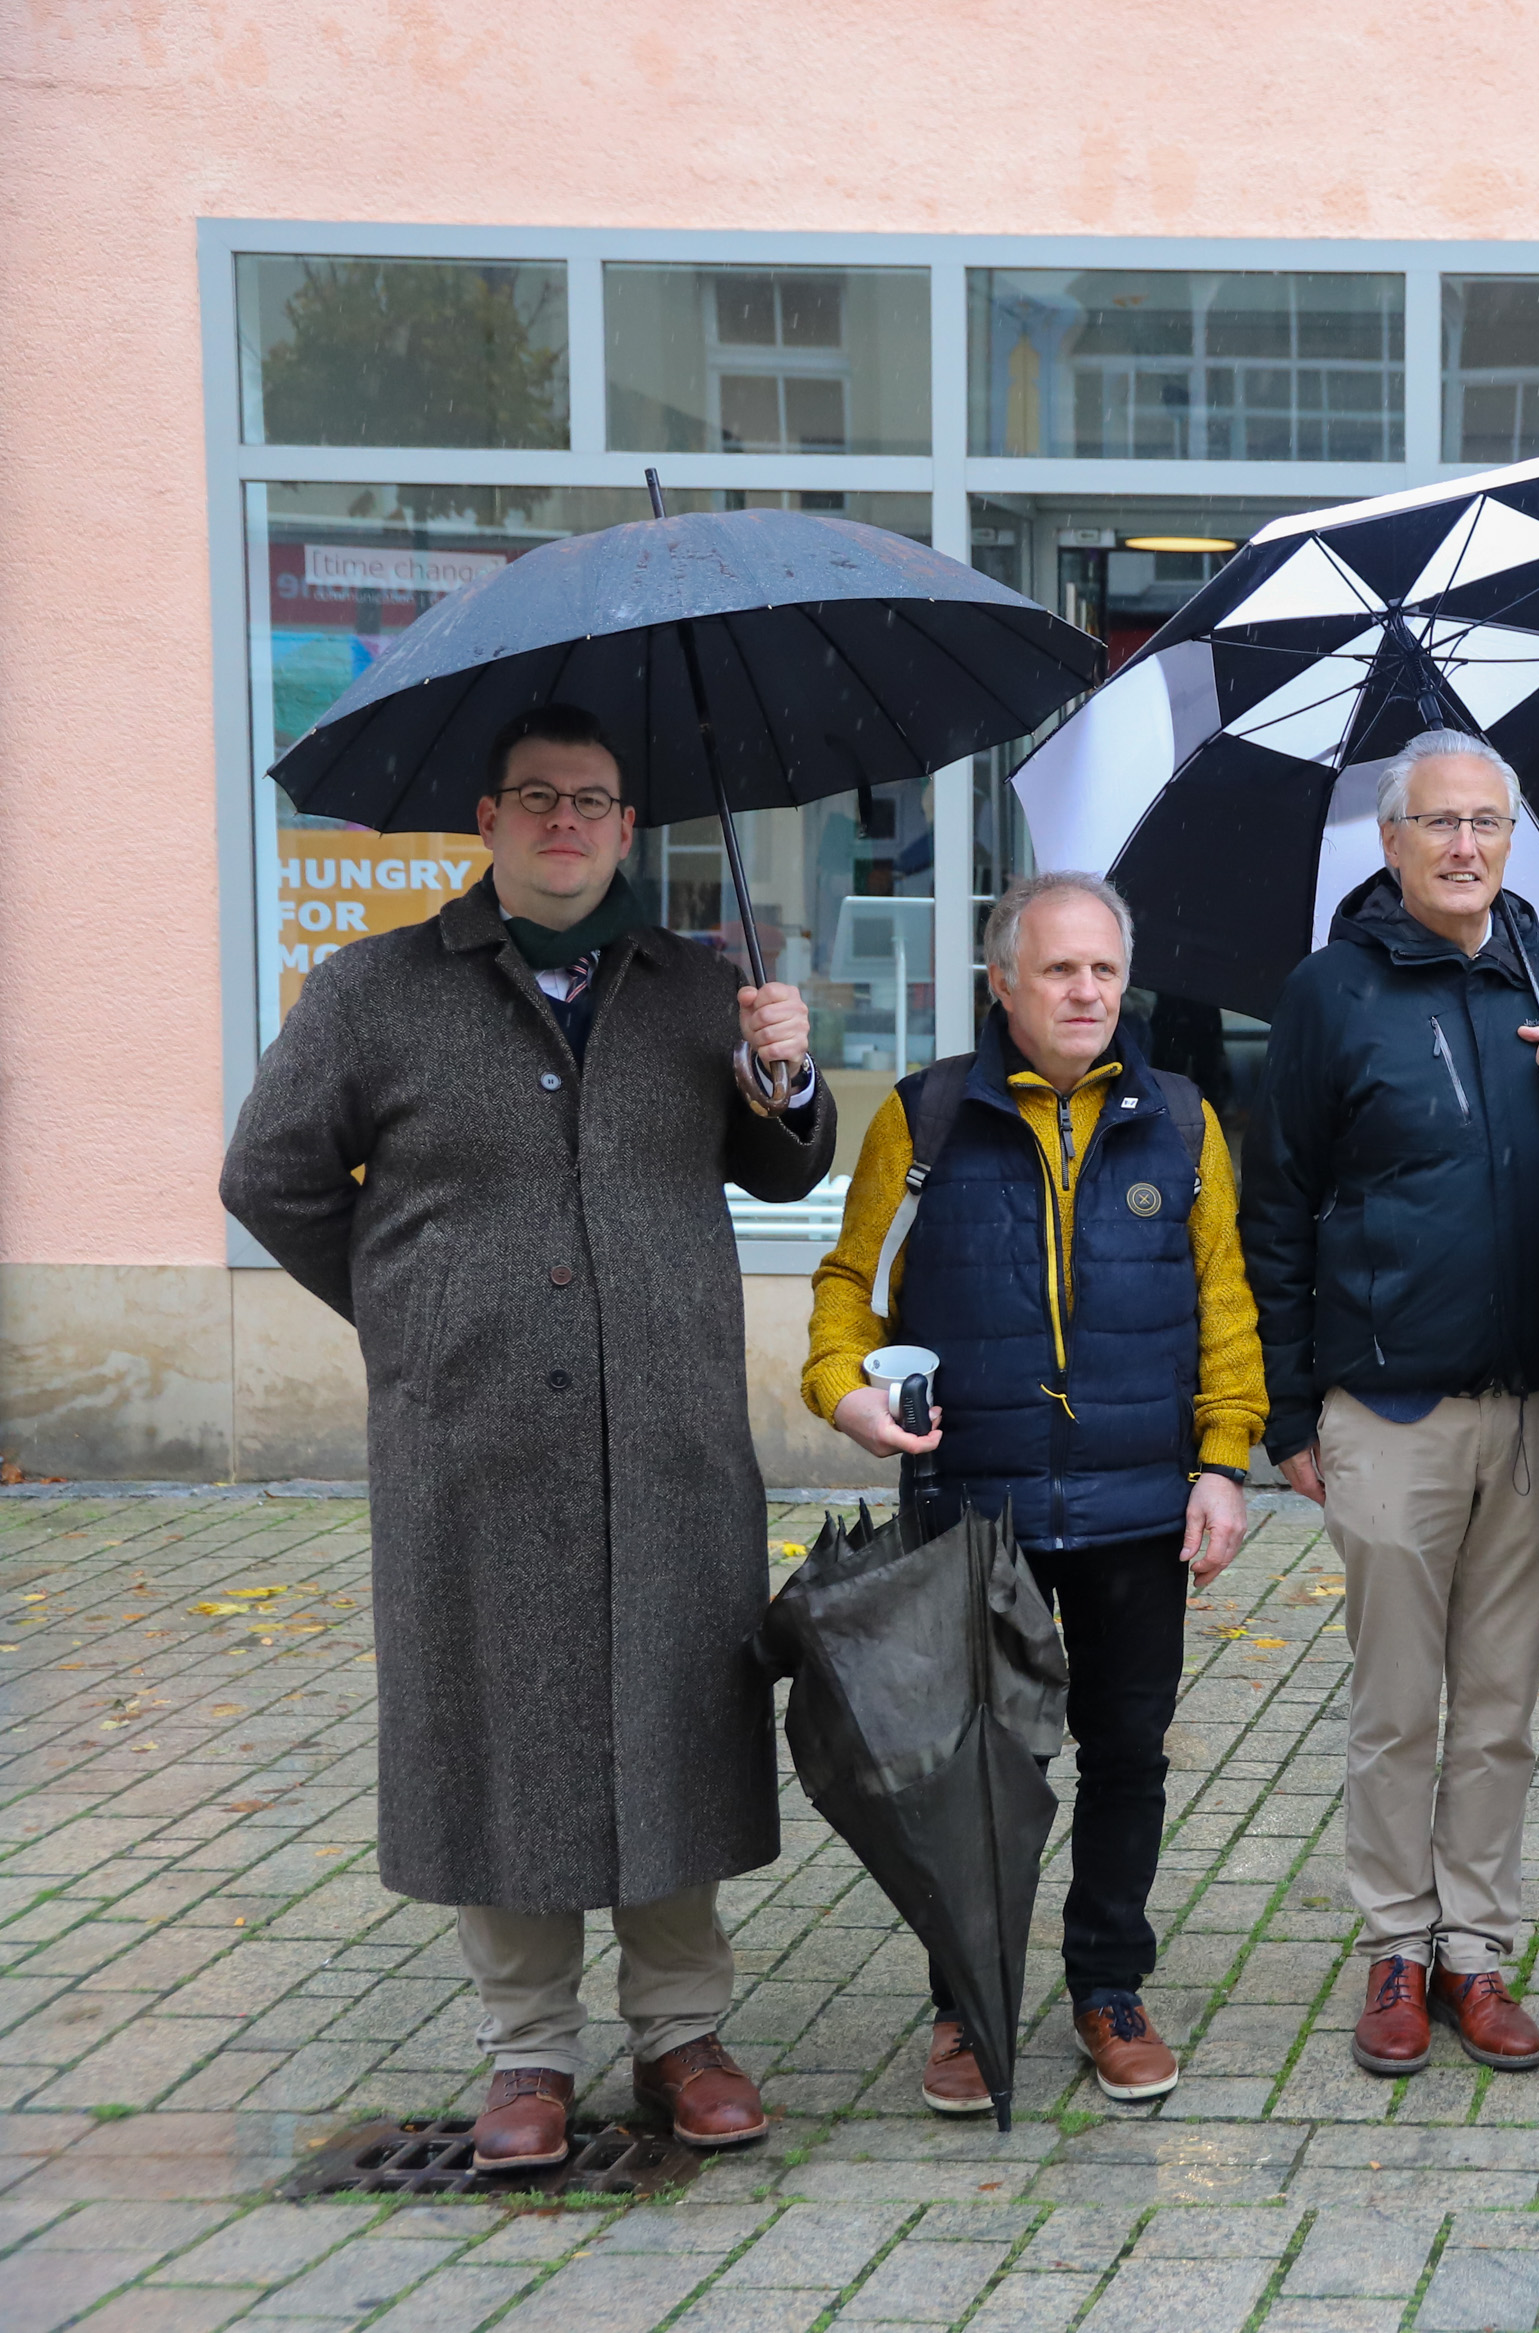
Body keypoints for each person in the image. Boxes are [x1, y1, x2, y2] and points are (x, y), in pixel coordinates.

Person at [222, 702, 832, 2170]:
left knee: (679, 1721)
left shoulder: (697, 987)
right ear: (486, 822)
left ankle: (681, 2032)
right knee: (502, 1730)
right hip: (475, 1441)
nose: (567, 823)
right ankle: (529, 2055)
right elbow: (270, 1175)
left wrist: (788, 1071)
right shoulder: (373, 991)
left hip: (668, 1435)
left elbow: (783, 1155)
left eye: (595, 802)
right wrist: (414, 1309)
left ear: (631, 831)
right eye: (538, 799)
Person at [805, 869, 1260, 2108]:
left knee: (1127, 1753)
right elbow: (849, 1282)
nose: (1085, 990)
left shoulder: (1182, 1116)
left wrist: (1222, 1462)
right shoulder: (926, 1118)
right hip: (973, 1498)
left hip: (1135, 1505)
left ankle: (1108, 1985)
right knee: (969, 1763)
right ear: (1000, 981)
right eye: (1057, 968)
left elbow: (1225, 1305)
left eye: (1104, 969)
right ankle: (964, 2001)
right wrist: (841, 1388)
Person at [1240, 730, 1539, 2079]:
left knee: (1503, 1703)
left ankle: (1478, 1953)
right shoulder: (1330, 996)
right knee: (1399, 1701)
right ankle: (1395, 1946)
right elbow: (1272, 1210)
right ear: (1390, 843)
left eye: (1489, 823)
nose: (1466, 846)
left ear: (1514, 840)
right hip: (1387, 1407)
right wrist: (1288, 1415)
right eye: (1440, 824)